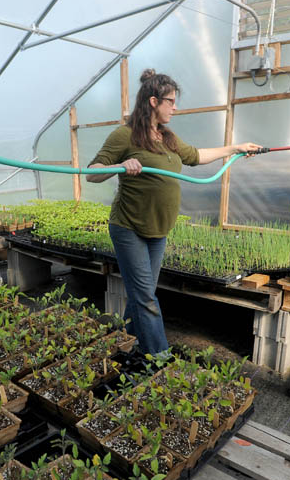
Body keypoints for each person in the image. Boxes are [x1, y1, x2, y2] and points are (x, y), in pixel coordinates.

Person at [87, 68, 262, 357]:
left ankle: (130, 345)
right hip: (129, 227)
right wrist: (121, 166)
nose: (175, 108)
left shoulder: (167, 137)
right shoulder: (125, 136)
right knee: (145, 296)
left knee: (140, 295)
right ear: (153, 101)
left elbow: (196, 156)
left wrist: (236, 148)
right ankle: (160, 358)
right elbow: (91, 173)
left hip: (158, 230)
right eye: (171, 101)